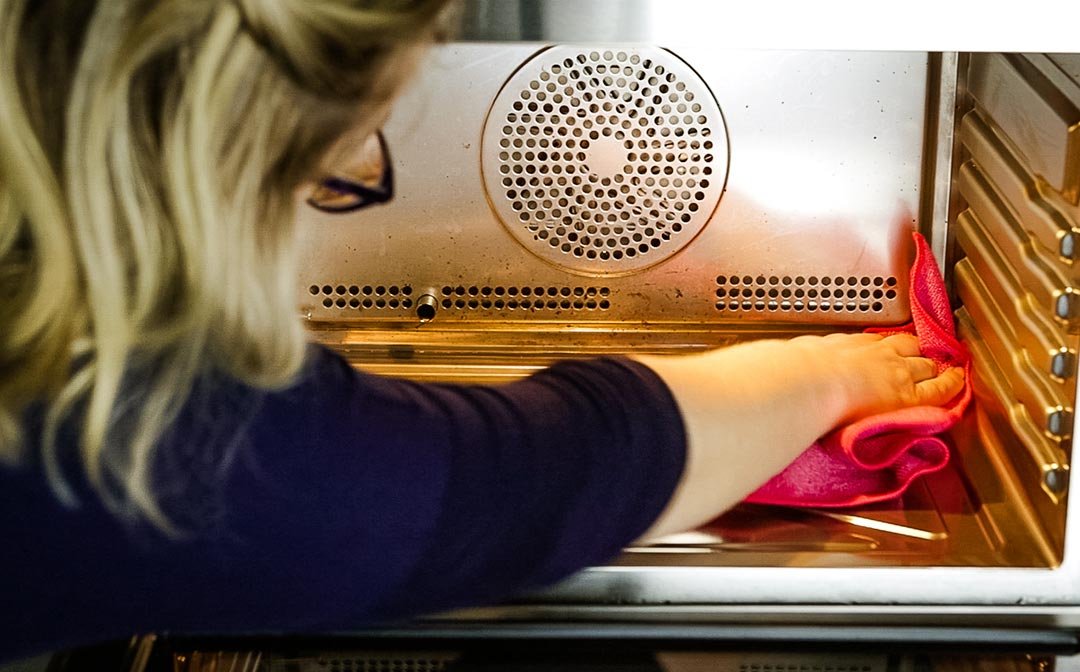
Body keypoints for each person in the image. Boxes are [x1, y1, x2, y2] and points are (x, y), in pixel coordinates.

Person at [0, 0, 965, 663]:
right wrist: (824, 374)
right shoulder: (162, 448)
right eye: (340, 164)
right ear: (245, 137)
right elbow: (520, 480)